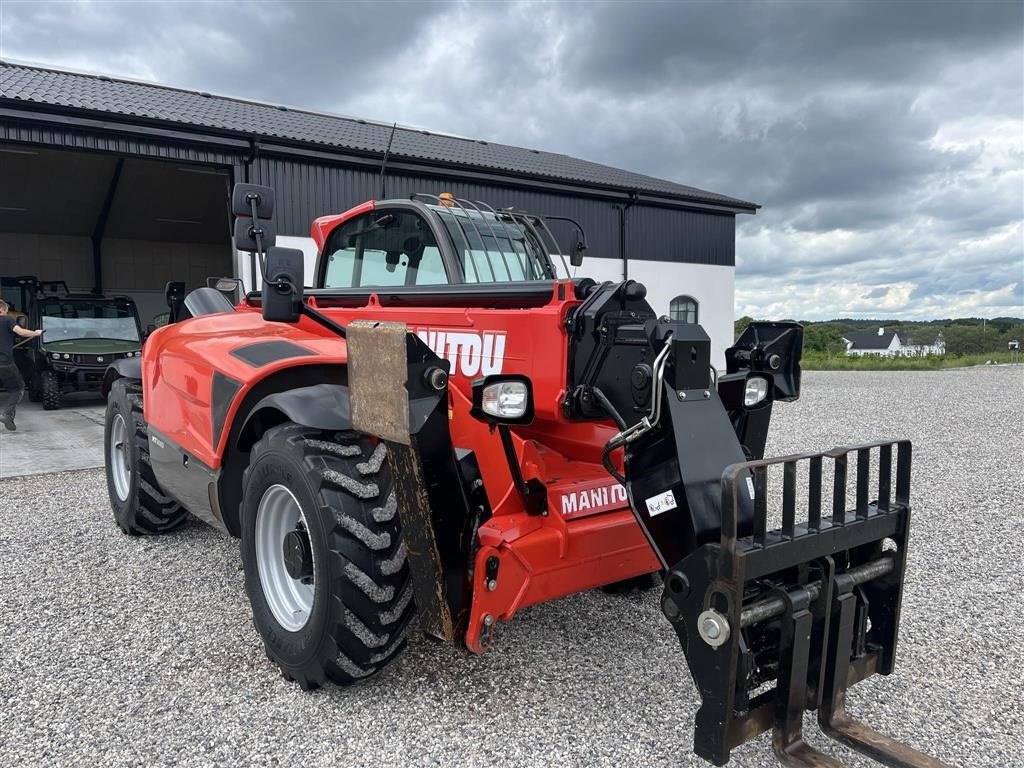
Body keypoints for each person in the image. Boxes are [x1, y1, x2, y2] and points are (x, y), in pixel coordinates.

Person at [0, 298, 43, 431]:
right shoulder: (6, 319)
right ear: (2, 309)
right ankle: (6, 414)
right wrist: (36, 333)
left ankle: (10, 421)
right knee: (18, 389)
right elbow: (21, 332)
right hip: (4, 363)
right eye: (6, 310)